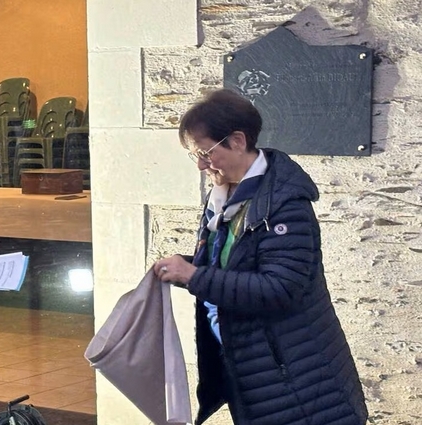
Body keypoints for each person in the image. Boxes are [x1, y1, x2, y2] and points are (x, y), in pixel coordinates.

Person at [154, 89, 368, 425]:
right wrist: (182, 268)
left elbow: (280, 288)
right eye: (193, 155)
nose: (200, 165)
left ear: (238, 141)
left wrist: (194, 276)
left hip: (295, 379)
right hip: (252, 370)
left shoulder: (284, 204)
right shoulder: (224, 196)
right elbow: (233, 265)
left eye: (206, 153)